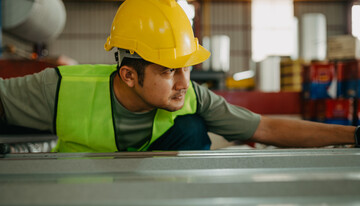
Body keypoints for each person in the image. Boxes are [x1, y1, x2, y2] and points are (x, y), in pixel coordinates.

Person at [0, 0, 359, 152]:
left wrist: (353, 135)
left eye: (186, 67)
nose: (184, 83)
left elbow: (265, 128)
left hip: (161, 205)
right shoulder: (61, 87)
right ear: (128, 75)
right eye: (169, 70)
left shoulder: (190, 96)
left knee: (190, 128)